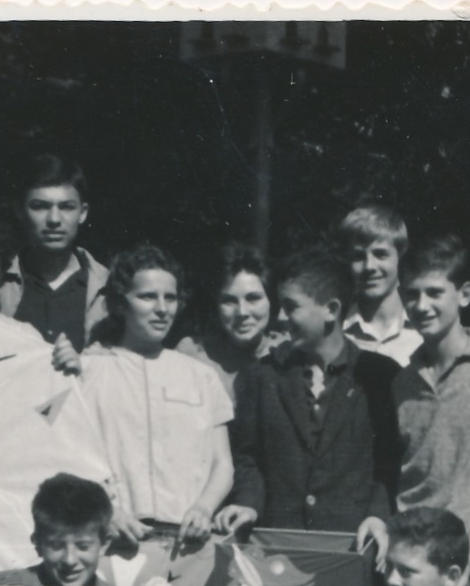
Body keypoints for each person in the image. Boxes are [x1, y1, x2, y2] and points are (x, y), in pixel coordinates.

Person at [216, 249, 400, 550]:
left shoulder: (380, 377)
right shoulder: (261, 377)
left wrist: (378, 515)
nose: (279, 317)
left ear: (331, 309)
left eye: (291, 307)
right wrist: (248, 503)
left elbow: (387, 465)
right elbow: (247, 457)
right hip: (275, 548)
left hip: (352, 549)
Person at [375, 234, 470, 555]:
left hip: (469, 546)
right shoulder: (402, 381)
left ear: (465, 295)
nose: (421, 306)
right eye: (412, 294)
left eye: (434, 293)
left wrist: (468, 550)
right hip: (406, 548)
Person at [80, 244, 234, 547]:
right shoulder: (88, 371)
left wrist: (204, 508)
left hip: (187, 545)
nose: (162, 309)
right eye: (148, 296)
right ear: (122, 304)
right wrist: (105, 510)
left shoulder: (201, 376)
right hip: (112, 541)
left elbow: (223, 464)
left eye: (171, 297)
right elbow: (70, 457)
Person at [0, 474, 164, 586]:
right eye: (56, 546)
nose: (70, 560)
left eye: (83, 546)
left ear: (104, 545)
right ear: (37, 544)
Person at [0, 154, 110, 363]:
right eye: (40, 206)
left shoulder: (110, 289)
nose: (54, 219)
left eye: (66, 207)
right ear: (20, 211)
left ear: (82, 213)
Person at [174, 243, 288, 399]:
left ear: (271, 300)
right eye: (229, 301)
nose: (242, 312)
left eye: (253, 298)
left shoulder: (290, 353)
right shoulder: (193, 355)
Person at [335, 204, 422, 366]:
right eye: (358, 256)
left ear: (400, 257)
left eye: (381, 254)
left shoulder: (423, 329)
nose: (369, 267)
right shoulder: (336, 330)